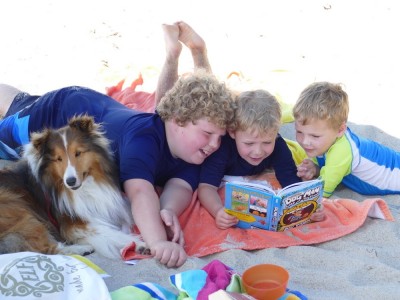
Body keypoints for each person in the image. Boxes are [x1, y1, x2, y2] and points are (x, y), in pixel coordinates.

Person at [0, 22, 236, 268]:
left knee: (21, 100)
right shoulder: (143, 143)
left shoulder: (191, 150)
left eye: (219, 137)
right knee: (13, 109)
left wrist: (167, 210)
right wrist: (157, 242)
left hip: (97, 106)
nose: (215, 144)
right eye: (208, 134)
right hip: (56, 110)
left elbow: (181, 187)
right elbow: (140, 192)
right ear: (177, 121)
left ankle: (179, 54)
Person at [198, 89, 302, 229]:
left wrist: (305, 207)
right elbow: (206, 186)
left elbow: (291, 181)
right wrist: (218, 211)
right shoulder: (222, 148)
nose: (258, 151)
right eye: (249, 143)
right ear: (232, 132)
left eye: (267, 142)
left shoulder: (278, 144)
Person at [293, 81, 400, 197]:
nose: (304, 141)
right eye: (299, 132)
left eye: (315, 136)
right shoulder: (323, 141)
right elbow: (329, 168)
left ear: (340, 130)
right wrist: (315, 168)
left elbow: (321, 192)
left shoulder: (341, 151)